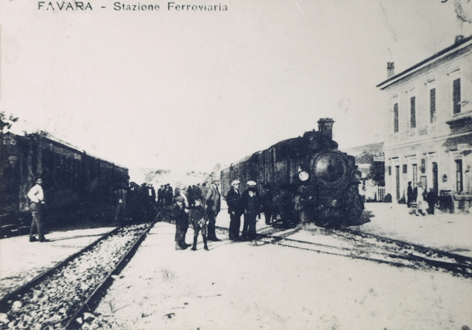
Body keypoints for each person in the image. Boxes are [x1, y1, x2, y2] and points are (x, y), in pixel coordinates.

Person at [27, 178, 47, 242]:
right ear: (36, 181)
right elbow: (29, 194)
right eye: (39, 180)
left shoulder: (40, 187)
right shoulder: (36, 187)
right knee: (39, 221)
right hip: (36, 205)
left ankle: (31, 237)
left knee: (35, 221)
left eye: (41, 180)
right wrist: (37, 200)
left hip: (36, 204)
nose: (41, 181)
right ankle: (41, 238)